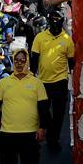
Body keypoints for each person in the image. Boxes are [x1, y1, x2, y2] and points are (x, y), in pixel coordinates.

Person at [30, 13, 73, 153]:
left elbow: (71, 62)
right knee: (43, 111)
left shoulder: (67, 40)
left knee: (59, 113)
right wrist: (32, 76)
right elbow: (34, 58)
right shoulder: (40, 37)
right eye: (52, 21)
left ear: (62, 23)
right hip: (43, 81)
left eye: (58, 21)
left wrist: (73, 81)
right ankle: (49, 132)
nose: (55, 24)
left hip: (60, 81)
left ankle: (54, 139)